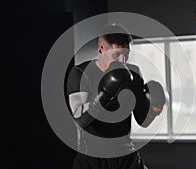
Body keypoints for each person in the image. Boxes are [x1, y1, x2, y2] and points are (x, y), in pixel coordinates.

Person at [66, 24, 165, 169]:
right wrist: (104, 95)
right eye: (116, 55)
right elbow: (80, 121)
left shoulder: (133, 73)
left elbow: (142, 120)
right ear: (101, 49)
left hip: (125, 154)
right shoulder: (81, 73)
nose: (122, 61)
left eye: (126, 54)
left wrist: (153, 107)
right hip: (92, 158)